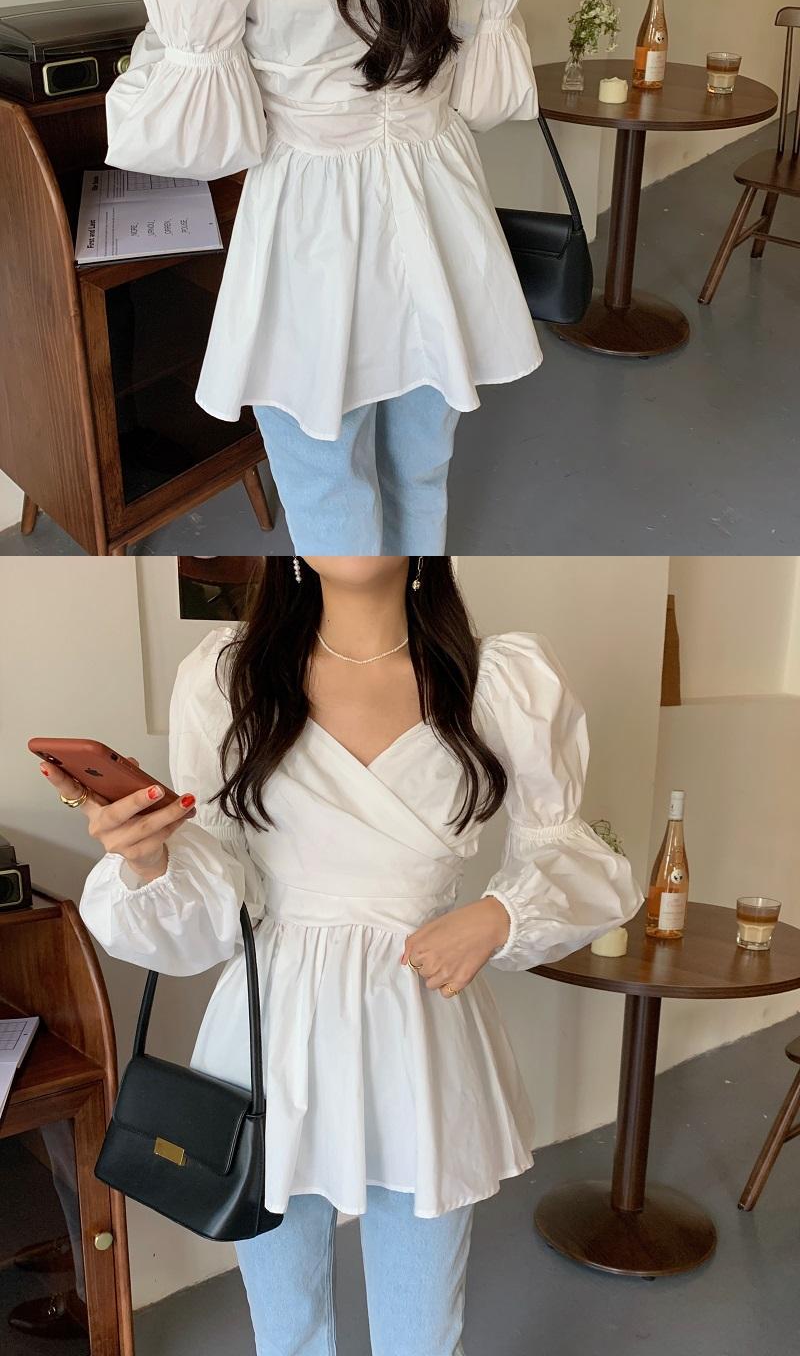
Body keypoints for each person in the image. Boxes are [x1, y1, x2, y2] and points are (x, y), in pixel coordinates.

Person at [38, 558, 641, 1356]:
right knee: (285, 1328)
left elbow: (568, 844)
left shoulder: (498, 680)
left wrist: (502, 914)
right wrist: (149, 860)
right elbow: (220, 888)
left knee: (423, 1332)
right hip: (272, 1023)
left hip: (420, 1013)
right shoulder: (230, 676)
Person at [102, 0, 556, 552]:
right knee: (421, 466)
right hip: (439, 208)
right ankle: (411, 609)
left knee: (322, 477)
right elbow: (483, 99)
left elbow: (203, 137)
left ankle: (362, 616)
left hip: (306, 225)